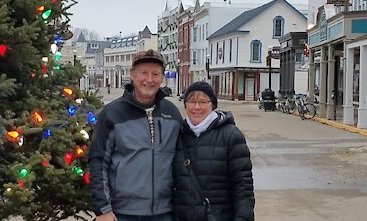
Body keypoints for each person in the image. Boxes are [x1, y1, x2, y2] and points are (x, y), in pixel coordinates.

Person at [89, 49, 183, 221]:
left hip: (165, 213)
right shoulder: (112, 113)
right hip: (122, 213)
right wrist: (103, 209)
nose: (149, 79)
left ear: (162, 78)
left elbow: (182, 162)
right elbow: (98, 162)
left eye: (155, 74)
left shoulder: (172, 114)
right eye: (143, 73)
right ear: (132, 75)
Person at [172, 82, 255, 221]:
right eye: (191, 101)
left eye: (203, 101)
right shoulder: (176, 134)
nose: (196, 107)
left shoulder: (231, 135)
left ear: (213, 105)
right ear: (185, 105)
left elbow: (243, 186)